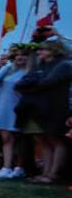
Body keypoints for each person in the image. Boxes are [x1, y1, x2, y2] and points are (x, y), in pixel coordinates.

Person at [14, 40, 71, 184]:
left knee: (56, 140)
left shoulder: (63, 65)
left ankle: (53, 174)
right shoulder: (42, 66)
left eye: (42, 50)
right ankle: (45, 172)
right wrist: (32, 85)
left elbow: (47, 82)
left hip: (56, 107)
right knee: (45, 141)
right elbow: (21, 83)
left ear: (53, 50)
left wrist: (30, 87)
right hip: (41, 107)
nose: (39, 53)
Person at [0, 47, 29, 180]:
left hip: (19, 106)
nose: (19, 58)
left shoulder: (30, 71)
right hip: (4, 105)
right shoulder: (8, 69)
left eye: (23, 55)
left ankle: (19, 167)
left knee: (20, 138)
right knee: (6, 137)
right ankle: (6, 167)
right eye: (17, 55)